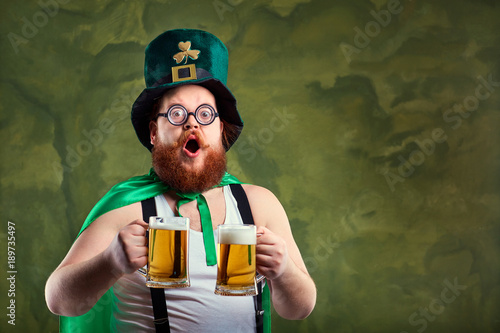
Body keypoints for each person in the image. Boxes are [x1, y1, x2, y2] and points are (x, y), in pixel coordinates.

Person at [45, 29, 316, 332]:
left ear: (221, 131)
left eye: (205, 114)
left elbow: (300, 309)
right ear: (153, 133)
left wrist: (283, 270)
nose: (191, 123)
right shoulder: (126, 210)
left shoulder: (258, 205)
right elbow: (58, 299)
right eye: (176, 114)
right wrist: (110, 262)